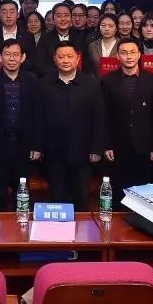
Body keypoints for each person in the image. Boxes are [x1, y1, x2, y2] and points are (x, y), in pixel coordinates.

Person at [0, 39, 42, 211]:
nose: (12, 58)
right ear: (0, 57)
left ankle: (22, 225)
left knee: (22, 192)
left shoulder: (32, 80)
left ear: (23, 57)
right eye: (7, 54)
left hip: (24, 146)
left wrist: (36, 145)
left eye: (15, 54)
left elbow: (38, 115)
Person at [41, 41, 103, 209]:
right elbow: (39, 117)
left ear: (77, 59)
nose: (65, 60)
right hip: (54, 151)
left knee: (81, 198)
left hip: (83, 152)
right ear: (55, 59)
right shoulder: (45, 84)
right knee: (56, 197)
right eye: (61, 57)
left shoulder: (91, 84)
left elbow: (98, 118)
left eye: (70, 56)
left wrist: (97, 148)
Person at [101, 37, 153, 192]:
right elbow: (104, 116)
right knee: (119, 190)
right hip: (117, 146)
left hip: (145, 147)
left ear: (139, 55)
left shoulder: (152, 80)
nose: (129, 56)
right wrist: (106, 145)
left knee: (145, 191)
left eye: (132, 52)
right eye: (124, 53)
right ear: (118, 56)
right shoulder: (108, 81)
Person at [0, 0, 34, 73]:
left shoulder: (28, 36)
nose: (8, 15)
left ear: (17, 14)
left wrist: (15, 72)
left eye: (12, 12)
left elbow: (31, 60)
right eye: (4, 12)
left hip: (22, 76)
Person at [36, 2, 86, 79]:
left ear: (71, 18)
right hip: (53, 80)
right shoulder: (45, 38)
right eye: (59, 16)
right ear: (53, 19)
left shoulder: (80, 38)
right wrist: (61, 74)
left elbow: (86, 65)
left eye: (66, 15)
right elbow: (40, 65)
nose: (63, 19)